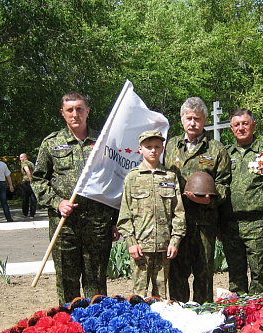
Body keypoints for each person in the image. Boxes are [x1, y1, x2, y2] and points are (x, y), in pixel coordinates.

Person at [32, 91, 119, 305]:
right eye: (70, 110)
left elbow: (114, 182)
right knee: (67, 282)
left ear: (87, 111)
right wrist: (57, 202)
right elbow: (38, 180)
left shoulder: (102, 143)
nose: (75, 114)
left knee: (96, 283)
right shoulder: (51, 143)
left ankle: (97, 329)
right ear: (62, 113)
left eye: (79, 109)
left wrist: (115, 221)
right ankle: (70, 330)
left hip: (96, 224)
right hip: (65, 225)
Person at [164, 97, 231, 304]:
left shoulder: (216, 149)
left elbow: (224, 184)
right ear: (182, 119)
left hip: (204, 223)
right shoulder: (170, 146)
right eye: (189, 118)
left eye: (197, 118)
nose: (192, 123)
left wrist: (208, 201)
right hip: (177, 224)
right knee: (177, 275)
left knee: (203, 274)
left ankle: (203, 319)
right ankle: (179, 317)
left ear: (204, 120)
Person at [220, 109, 263, 295]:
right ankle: (238, 315)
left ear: (253, 125)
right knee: (235, 274)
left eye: (245, 123)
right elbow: (219, 187)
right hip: (230, 224)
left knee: (259, 274)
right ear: (231, 128)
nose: (241, 128)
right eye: (237, 125)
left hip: (258, 223)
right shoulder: (225, 154)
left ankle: (258, 316)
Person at [117, 130, 186, 299]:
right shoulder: (133, 177)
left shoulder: (170, 177)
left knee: (160, 297)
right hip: (141, 248)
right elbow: (125, 216)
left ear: (162, 148)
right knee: (138, 297)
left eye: (156, 146)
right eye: (148, 147)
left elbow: (179, 213)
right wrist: (131, 243)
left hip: (164, 248)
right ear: (140, 149)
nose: (153, 150)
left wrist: (175, 241)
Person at [19, 153, 37, 217]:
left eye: (21, 157)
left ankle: (25, 213)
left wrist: (30, 179)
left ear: (25, 158)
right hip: (33, 181)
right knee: (33, 198)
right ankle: (32, 213)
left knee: (25, 198)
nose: (20, 159)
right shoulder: (31, 163)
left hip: (26, 181)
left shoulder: (24, 163)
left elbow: (27, 170)